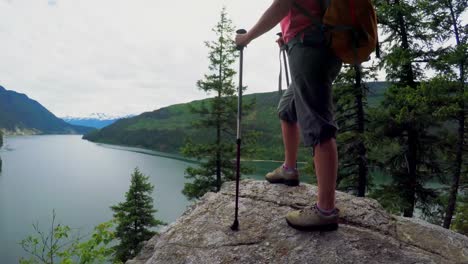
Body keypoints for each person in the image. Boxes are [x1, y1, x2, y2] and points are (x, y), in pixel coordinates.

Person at [235, 0, 342, 231]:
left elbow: (281, 5)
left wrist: (247, 37)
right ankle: (289, 170)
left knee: (318, 125)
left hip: (309, 46)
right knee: (287, 109)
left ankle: (325, 211)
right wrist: (288, 35)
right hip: (311, 43)